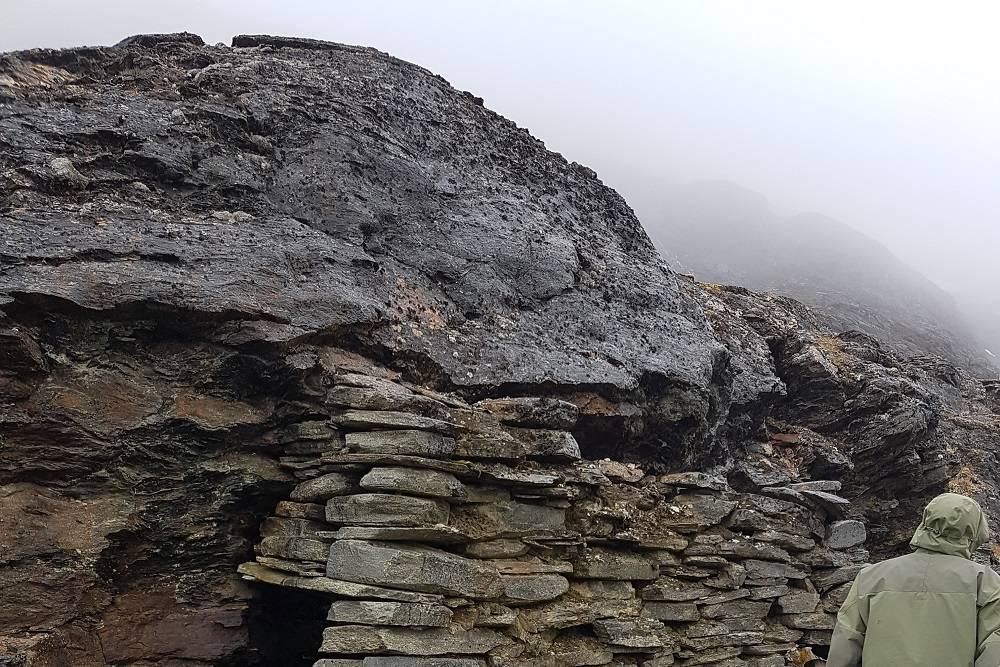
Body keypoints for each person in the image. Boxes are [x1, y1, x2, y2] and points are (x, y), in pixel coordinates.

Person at [827, 492, 1000, 666]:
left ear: (925, 521)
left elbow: (844, 645)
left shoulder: (871, 576)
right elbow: (994, 651)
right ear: (975, 531)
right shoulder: (986, 583)